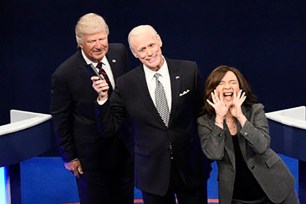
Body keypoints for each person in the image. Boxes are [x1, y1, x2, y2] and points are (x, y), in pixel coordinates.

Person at [91, 25, 211, 204]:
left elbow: (201, 112)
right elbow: (109, 128)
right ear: (134, 53)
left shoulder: (188, 71)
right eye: (142, 49)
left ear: (160, 42)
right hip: (152, 171)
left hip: (190, 165)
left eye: (151, 45)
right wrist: (102, 99)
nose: (149, 53)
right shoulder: (125, 85)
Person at [51, 13, 134, 204]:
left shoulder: (119, 53)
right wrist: (69, 156)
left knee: (124, 197)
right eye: (91, 41)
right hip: (91, 156)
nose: (99, 45)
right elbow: (61, 118)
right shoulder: (65, 74)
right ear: (80, 43)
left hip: (123, 149)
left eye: (102, 38)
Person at [197, 65, 299, 204]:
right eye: (221, 83)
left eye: (232, 82)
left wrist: (240, 116)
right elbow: (214, 154)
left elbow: (262, 146)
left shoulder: (255, 110)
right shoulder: (205, 121)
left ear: (240, 88)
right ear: (213, 90)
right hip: (237, 196)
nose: (227, 86)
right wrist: (219, 119)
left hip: (276, 189)